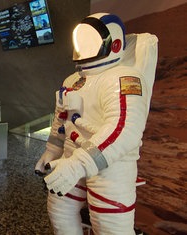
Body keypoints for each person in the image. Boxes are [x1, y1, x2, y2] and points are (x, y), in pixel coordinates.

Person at [35, 13, 158, 234]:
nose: (82, 48)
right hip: (71, 158)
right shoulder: (71, 81)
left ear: (114, 43)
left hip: (111, 166)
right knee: (59, 212)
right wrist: (52, 150)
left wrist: (77, 164)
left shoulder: (125, 79)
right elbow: (61, 118)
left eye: (89, 42)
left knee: (110, 227)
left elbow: (124, 130)